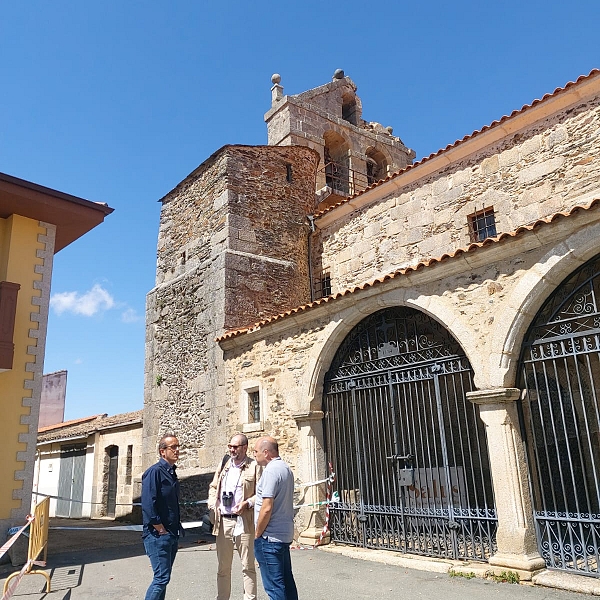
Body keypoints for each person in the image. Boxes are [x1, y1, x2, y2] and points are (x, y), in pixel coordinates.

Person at [208, 433, 261, 600]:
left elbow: (260, 493)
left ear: (245, 448)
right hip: (223, 521)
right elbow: (213, 486)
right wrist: (212, 503)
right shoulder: (224, 464)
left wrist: (247, 503)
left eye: (235, 447)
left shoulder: (254, 467)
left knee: (248, 566)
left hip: (244, 521)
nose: (231, 449)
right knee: (223, 567)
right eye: (230, 446)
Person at [253, 436, 298, 600]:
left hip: (269, 538)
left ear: (266, 453)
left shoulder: (271, 471)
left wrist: (257, 534)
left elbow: (267, 507)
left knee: (274, 587)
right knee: (286, 583)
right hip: (282, 536)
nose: (254, 454)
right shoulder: (285, 468)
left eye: (256, 451)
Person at [141, 434, 184, 600]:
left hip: (171, 533)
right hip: (157, 535)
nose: (177, 450)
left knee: (163, 579)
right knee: (161, 578)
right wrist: (160, 528)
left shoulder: (171, 472)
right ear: (162, 451)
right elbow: (148, 504)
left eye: (178, 446)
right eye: (173, 447)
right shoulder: (154, 472)